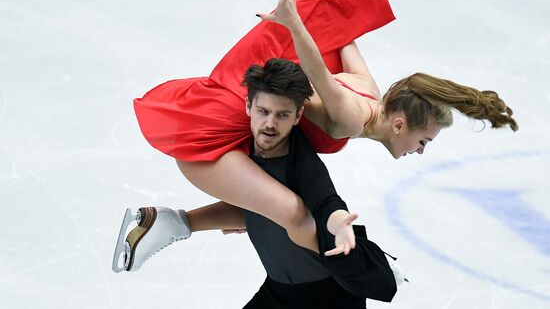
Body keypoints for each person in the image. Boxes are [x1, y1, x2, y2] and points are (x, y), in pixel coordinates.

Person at [114, 0, 518, 266]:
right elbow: (317, 73)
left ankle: (162, 224)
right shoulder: (353, 117)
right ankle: (356, 273)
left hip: (238, 128)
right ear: (399, 124)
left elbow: (341, 31)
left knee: (284, 208)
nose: (420, 151)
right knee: (294, 213)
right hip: (211, 135)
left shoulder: (368, 89)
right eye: (423, 140)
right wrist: (294, 24)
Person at [115, 59, 401, 308]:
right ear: (248, 106)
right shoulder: (243, 159)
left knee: (295, 213)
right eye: (264, 111)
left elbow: (325, 198)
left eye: (283, 115)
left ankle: (365, 257)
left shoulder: (302, 164)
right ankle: (175, 222)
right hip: (279, 292)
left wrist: (339, 222)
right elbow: (254, 210)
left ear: (298, 116)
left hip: (330, 297)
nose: (270, 124)